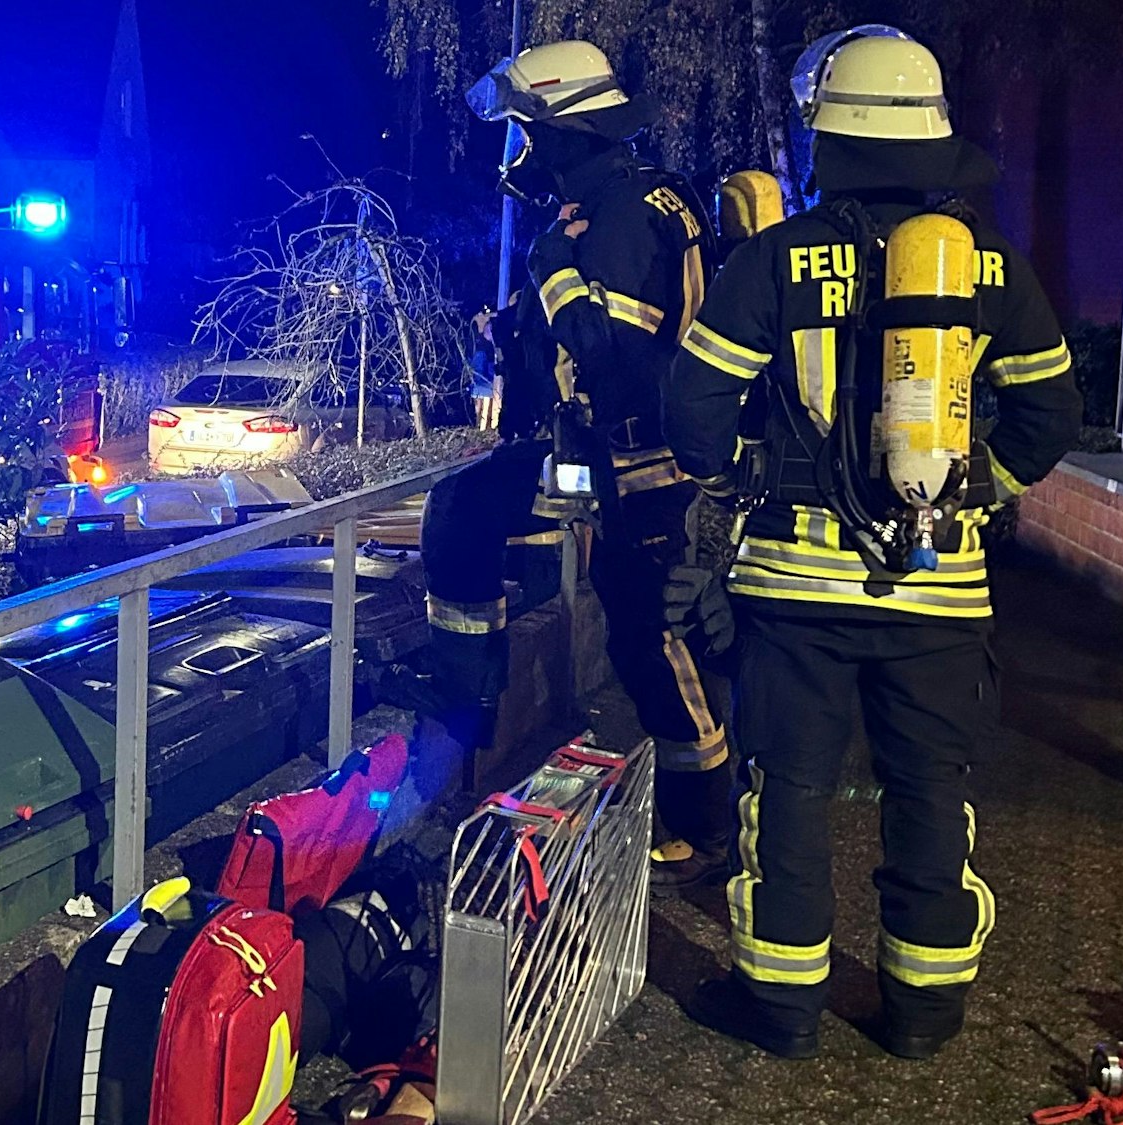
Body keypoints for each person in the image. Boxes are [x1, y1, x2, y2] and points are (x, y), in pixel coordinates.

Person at [663, 29, 1081, 1060]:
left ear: (825, 136)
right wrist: (970, 494)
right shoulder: (987, 266)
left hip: (793, 592)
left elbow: (693, 413)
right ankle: (923, 1015)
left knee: (787, 795)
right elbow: (1049, 417)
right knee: (929, 794)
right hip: (937, 596)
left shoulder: (771, 258)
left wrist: (743, 479)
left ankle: (778, 1008)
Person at [421, 39, 734, 886]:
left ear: (564, 133)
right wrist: (515, 327)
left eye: (530, 134)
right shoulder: (643, 197)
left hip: (637, 464)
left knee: (651, 641)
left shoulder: (619, 215)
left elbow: (612, 353)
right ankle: (470, 725)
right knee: (476, 519)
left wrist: (551, 274)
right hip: (619, 457)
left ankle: (708, 828)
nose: (524, 156)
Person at [469, 307, 501, 432]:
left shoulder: (482, 349)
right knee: (484, 404)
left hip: (485, 386)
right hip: (484, 386)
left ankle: (486, 427)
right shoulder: (481, 352)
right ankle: (484, 428)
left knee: (485, 405)